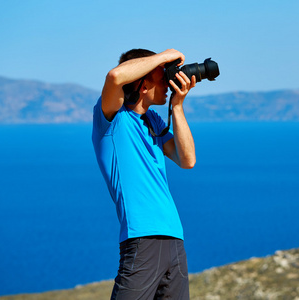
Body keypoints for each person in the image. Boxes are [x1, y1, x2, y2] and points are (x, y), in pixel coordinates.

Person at [92, 48, 196, 300]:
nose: (168, 84)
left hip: (174, 238)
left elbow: (187, 160)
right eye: (163, 78)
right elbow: (115, 76)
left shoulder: (154, 121)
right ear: (142, 84)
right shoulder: (112, 118)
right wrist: (163, 56)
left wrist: (178, 107)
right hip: (142, 237)